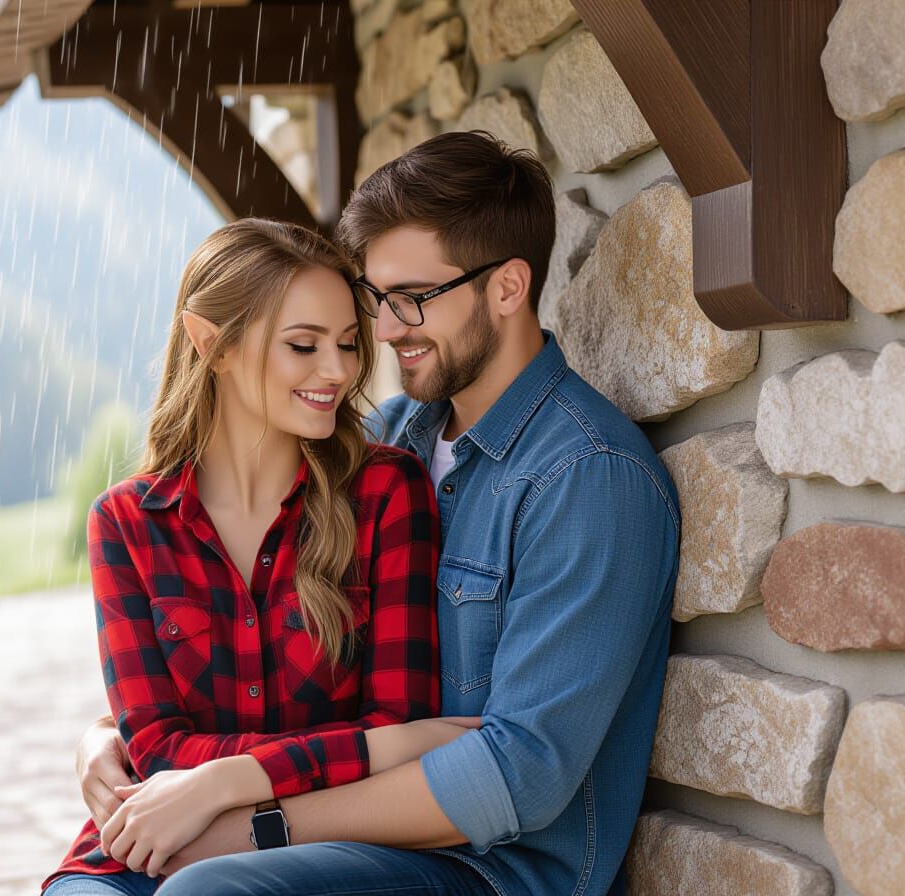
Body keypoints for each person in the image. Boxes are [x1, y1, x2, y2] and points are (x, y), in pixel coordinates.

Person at [76, 132, 681, 895]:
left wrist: (254, 825)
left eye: (412, 299)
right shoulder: (387, 440)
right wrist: (106, 738)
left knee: (206, 891)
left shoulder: (589, 479)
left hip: (489, 868)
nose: (385, 331)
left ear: (506, 288)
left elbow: (517, 776)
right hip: (332, 834)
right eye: (378, 299)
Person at [42, 218, 485, 895]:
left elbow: (398, 721)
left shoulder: (386, 492)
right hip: (146, 840)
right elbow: (157, 749)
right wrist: (111, 744)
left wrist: (224, 780)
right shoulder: (124, 524)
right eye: (303, 345)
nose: (337, 371)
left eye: (347, 343)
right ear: (212, 345)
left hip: (319, 846)